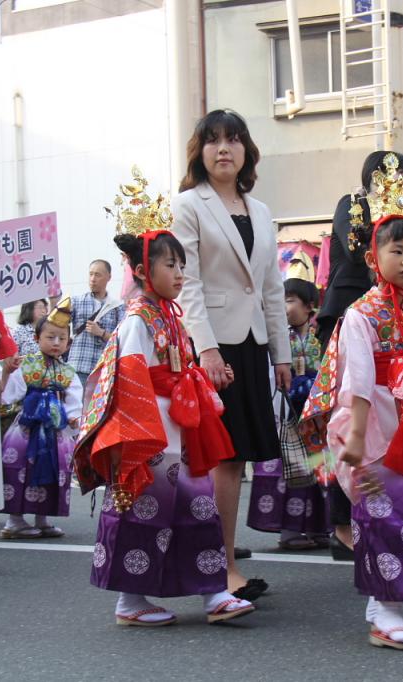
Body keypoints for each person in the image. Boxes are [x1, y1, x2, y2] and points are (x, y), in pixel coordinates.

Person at [301, 158, 403, 650]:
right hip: (372, 430)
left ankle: (394, 604)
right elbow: (358, 377)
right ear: (374, 257)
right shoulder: (360, 313)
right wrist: (353, 436)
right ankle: (384, 609)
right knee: (384, 515)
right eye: (399, 250)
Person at [74, 176, 253, 626]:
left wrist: (208, 383)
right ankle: (130, 602)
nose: (179, 274)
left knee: (198, 511)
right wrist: (141, 440)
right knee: (144, 517)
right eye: (170, 265)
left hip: (179, 430)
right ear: (140, 271)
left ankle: (213, 593)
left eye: (181, 264)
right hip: (151, 435)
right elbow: (128, 378)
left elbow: (181, 370)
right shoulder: (137, 319)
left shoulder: (170, 317)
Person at [172, 109, 290, 600]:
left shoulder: (259, 210)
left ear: (247, 151)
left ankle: (222, 557)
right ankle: (217, 566)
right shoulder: (187, 204)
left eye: (234, 140)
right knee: (219, 456)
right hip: (212, 344)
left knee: (237, 458)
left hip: (253, 345)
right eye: (215, 140)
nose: (225, 149)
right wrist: (206, 348)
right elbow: (188, 282)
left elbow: (271, 286)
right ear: (200, 151)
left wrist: (281, 354)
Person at [315, 151, 403, 559]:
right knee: (344, 416)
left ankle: (380, 513)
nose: (400, 185)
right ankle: (341, 522)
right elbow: (360, 247)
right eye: (392, 177)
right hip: (348, 313)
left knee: (386, 422)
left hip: (389, 317)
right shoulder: (351, 204)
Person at [246, 265, 330, 550]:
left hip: (317, 414)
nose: (284, 306)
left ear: (310, 307)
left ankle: (320, 528)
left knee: (320, 471)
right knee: (290, 472)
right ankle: (290, 533)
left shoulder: (321, 336)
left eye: (291, 300)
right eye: (281, 299)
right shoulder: (276, 336)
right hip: (285, 412)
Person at [0, 299, 82, 540]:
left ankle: (43, 518)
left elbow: (74, 400)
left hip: (55, 428)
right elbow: (8, 396)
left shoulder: (67, 371)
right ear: (36, 339)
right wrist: (8, 373)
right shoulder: (26, 365)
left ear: (68, 342)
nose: (56, 342)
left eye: (61, 338)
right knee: (20, 469)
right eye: (50, 337)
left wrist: (74, 418)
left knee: (54, 469)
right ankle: (15, 520)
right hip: (27, 428)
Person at [68, 260, 125, 386]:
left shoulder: (118, 307)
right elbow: (58, 324)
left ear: (108, 277)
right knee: (77, 406)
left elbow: (122, 341)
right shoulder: (76, 302)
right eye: (91, 274)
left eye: (98, 275)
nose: (93, 279)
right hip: (78, 367)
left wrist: (101, 333)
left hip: (103, 370)